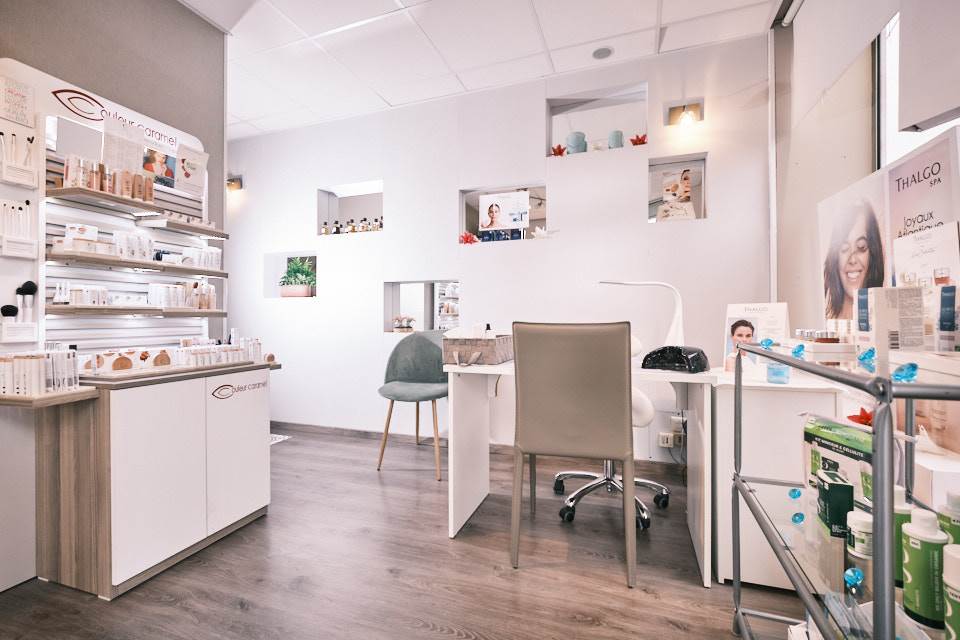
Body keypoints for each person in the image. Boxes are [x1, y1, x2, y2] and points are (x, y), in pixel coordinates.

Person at [823, 202, 884, 320]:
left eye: (861, 247)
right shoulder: (829, 321)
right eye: (844, 249)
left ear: (873, 254)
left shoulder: (882, 319)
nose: (852, 259)